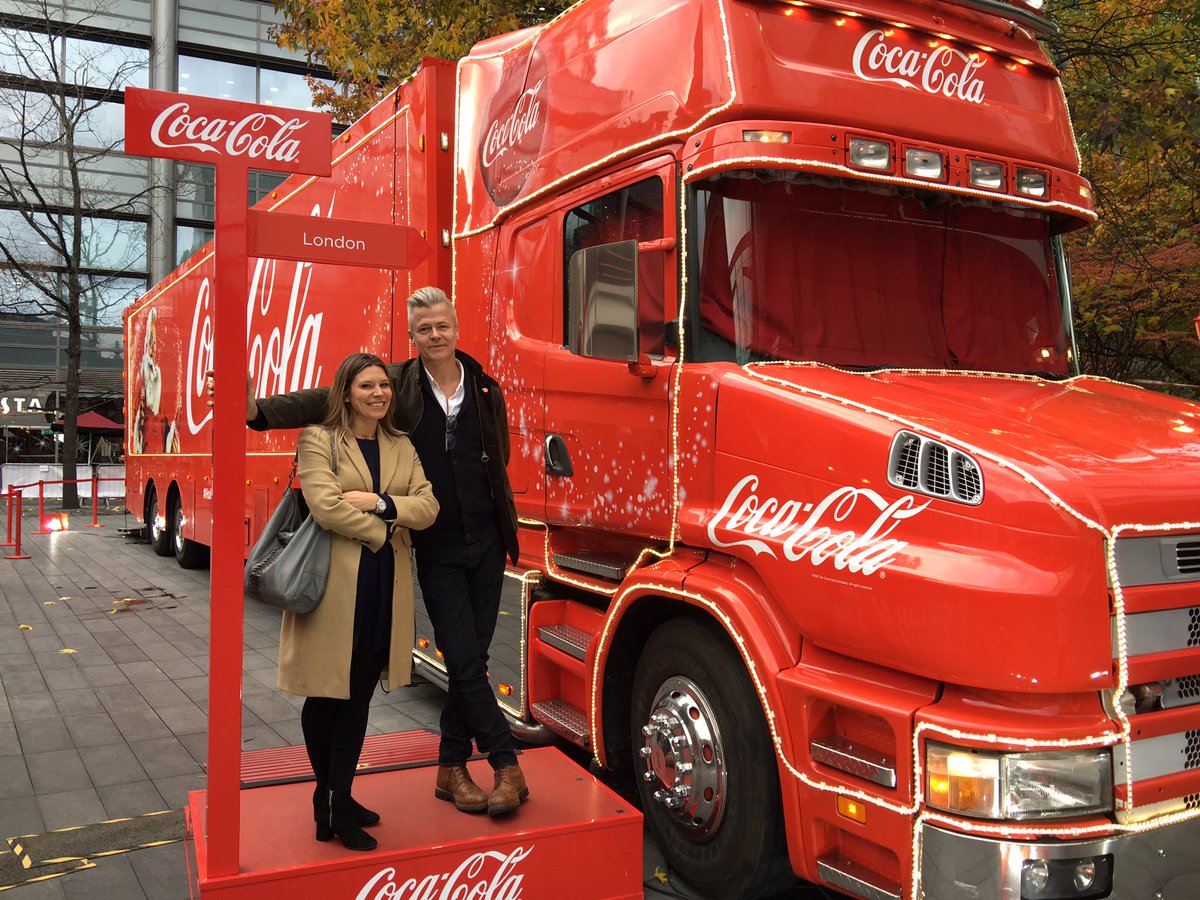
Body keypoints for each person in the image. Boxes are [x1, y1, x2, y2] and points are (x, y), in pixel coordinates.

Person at [241, 287, 527, 817]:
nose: (435, 336)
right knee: (463, 659)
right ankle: (506, 762)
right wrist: (258, 411)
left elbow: (497, 463)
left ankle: (451, 766)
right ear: (413, 336)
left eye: (442, 325)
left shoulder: (487, 389)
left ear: (456, 328)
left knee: (476, 659)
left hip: (487, 542)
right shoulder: (398, 383)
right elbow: (321, 400)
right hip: (436, 546)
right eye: (424, 329)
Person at [282, 352, 438, 851]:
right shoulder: (318, 438)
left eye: (384, 386)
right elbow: (324, 506)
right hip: (333, 587)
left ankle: (339, 797)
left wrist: (378, 503)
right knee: (326, 694)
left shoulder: (400, 444)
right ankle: (327, 798)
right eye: (367, 385)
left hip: (382, 587)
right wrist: (384, 529)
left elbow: (429, 506)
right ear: (346, 391)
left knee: (360, 696)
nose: (378, 393)